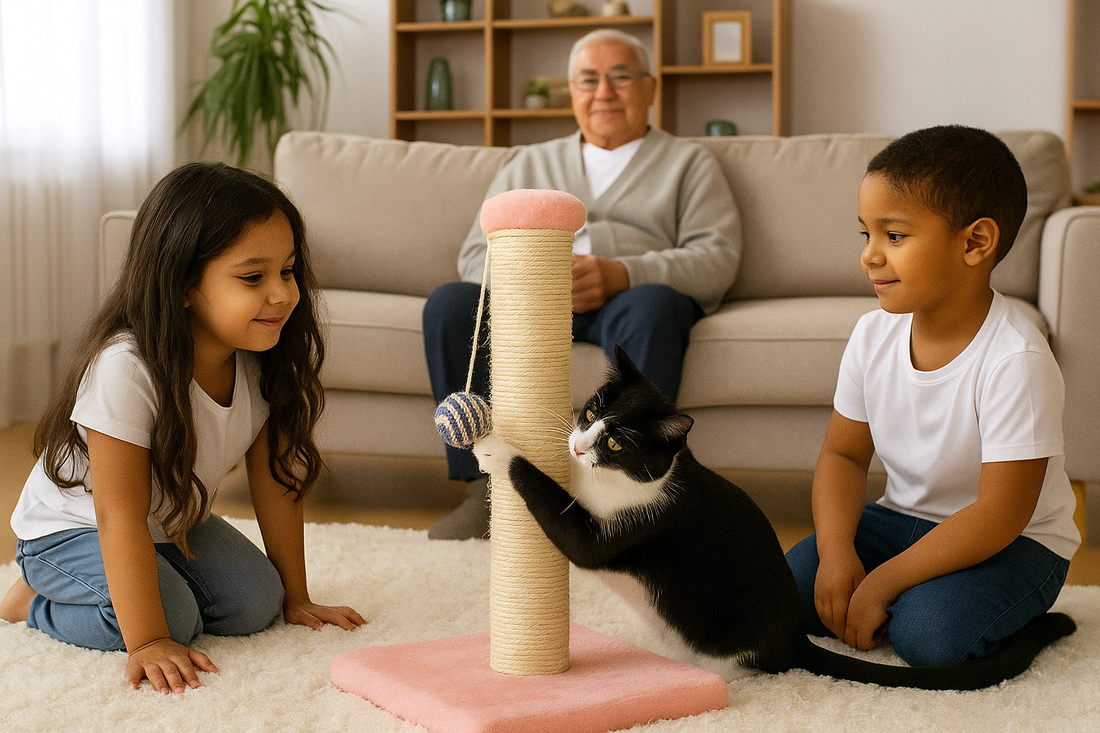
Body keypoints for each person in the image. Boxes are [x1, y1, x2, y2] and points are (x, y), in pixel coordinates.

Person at [0, 162, 365, 694]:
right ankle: (33, 601)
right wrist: (147, 641)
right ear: (183, 285)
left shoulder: (262, 357)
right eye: (252, 277)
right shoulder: (126, 367)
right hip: (71, 530)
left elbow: (277, 481)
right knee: (172, 623)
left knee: (256, 603)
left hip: (169, 522)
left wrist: (298, 597)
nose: (284, 294)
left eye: (287, 271)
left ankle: (147, 596)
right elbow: (116, 511)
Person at [423, 29, 741, 539]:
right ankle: (484, 492)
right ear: (571, 91)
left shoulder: (690, 164)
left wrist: (623, 273)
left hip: (632, 303)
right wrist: (540, 279)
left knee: (656, 306)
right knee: (450, 304)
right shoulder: (527, 164)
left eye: (621, 77)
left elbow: (717, 257)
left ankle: (627, 500)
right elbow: (474, 255)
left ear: (651, 88)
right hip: (539, 304)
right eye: (589, 80)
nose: (604, 93)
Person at [785, 125, 1080, 667]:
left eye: (893, 236)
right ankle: (909, 593)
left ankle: (1022, 617)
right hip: (901, 520)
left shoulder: (1017, 359)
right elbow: (843, 455)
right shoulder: (872, 335)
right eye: (865, 234)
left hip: (1016, 542)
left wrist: (880, 586)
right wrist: (835, 553)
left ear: (974, 242)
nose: (869, 257)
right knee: (783, 591)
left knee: (930, 635)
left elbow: (999, 515)